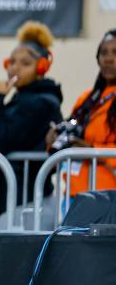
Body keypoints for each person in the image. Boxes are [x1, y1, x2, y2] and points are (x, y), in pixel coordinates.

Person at [0, 21, 63, 225]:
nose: (15, 68)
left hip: (25, 201)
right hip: (12, 197)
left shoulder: (41, 103)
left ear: (42, 67)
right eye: (11, 62)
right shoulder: (22, 99)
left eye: (25, 63)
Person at [50, 29, 116, 197]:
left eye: (115, 53)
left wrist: (92, 150)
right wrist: (53, 140)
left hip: (108, 196)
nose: (108, 59)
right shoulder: (86, 98)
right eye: (103, 53)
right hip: (75, 192)